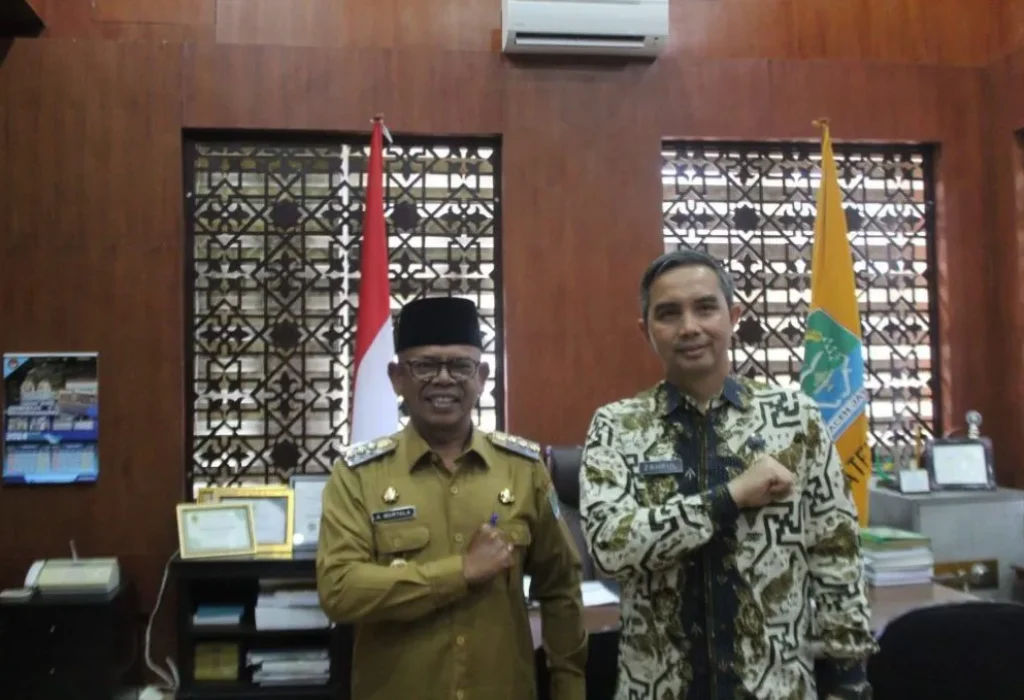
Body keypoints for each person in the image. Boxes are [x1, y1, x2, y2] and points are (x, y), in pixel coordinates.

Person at [578, 249, 877, 700]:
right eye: (668, 314)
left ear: (733, 315)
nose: (689, 327)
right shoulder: (617, 426)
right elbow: (609, 548)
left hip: (776, 688)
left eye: (705, 307)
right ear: (647, 332)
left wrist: (850, 679)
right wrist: (730, 496)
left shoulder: (796, 420)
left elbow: (835, 555)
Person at [317, 296, 587, 700]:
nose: (443, 379)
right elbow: (339, 590)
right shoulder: (358, 475)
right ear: (396, 378)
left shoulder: (524, 468)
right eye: (425, 365)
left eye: (460, 366)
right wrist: (460, 571)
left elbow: (561, 586)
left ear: (481, 375)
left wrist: (569, 686)